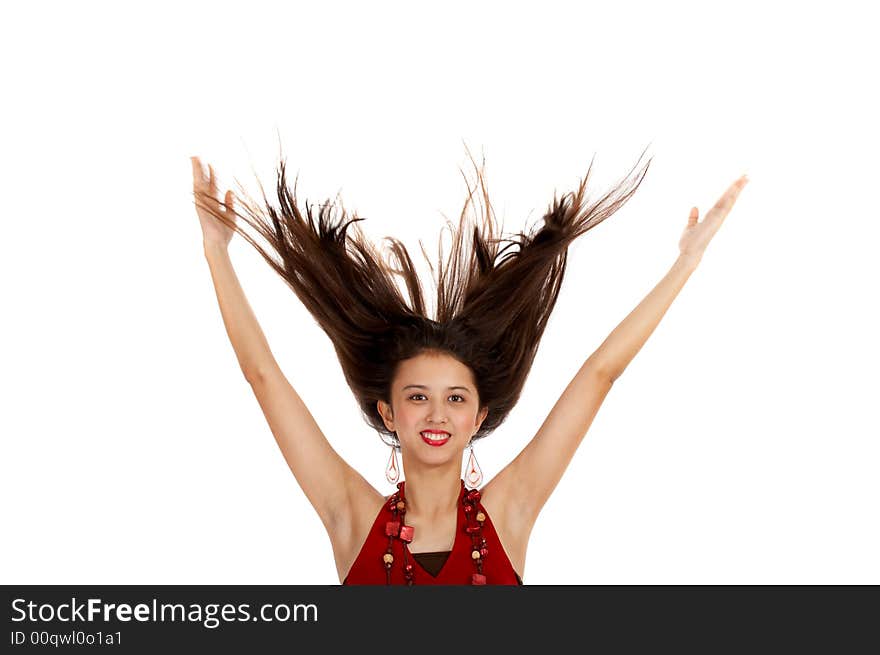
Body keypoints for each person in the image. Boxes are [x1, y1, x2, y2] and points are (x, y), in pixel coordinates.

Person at [189, 146, 748, 585]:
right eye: (417, 396)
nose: (437, 414)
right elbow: (262, 377)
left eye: (456, 398)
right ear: (388, 411)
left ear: (479, 416)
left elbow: (600, 374)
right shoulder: (351, 516)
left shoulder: (511, 509)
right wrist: (216, 249)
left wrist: (686, 263)